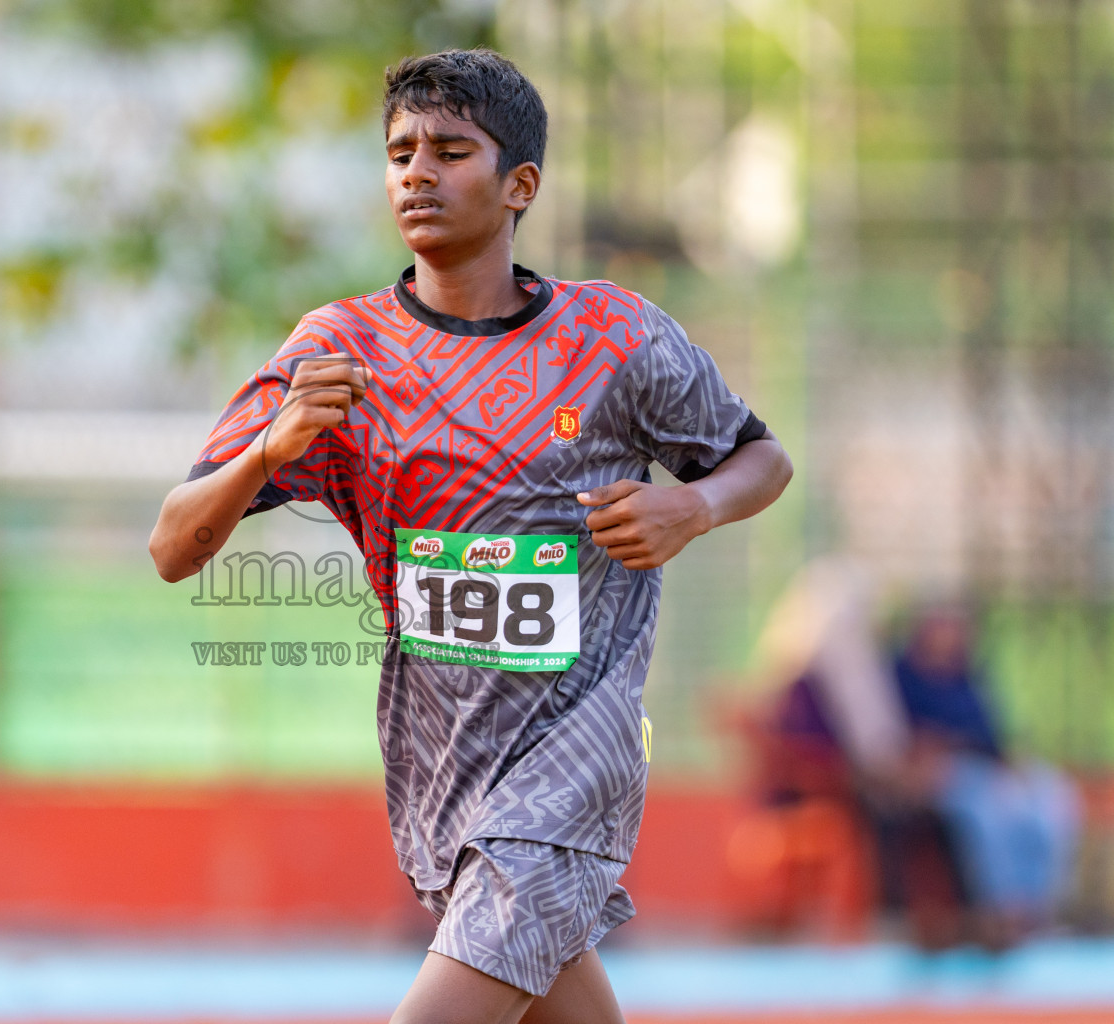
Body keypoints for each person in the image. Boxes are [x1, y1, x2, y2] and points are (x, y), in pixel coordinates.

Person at [150, 50, 791, 1023]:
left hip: (584, 742)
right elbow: (172, 548)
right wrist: (272, 448)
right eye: (401, 151)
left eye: (451, 151)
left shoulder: (615, 337)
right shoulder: (340, 349)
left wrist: (693, 509)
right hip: (441, 755)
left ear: (519, 184)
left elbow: (763, 459)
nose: (418, 171)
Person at [892, 606, 1081, 948]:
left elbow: (993, 739)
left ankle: (1039, 908)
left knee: (1052, 793)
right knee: (989, 807)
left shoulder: (969, 679)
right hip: (942, 774)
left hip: (986, 767)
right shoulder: (903, 677)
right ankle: (1004, 911)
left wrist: (1013, 768)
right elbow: (900, 745)